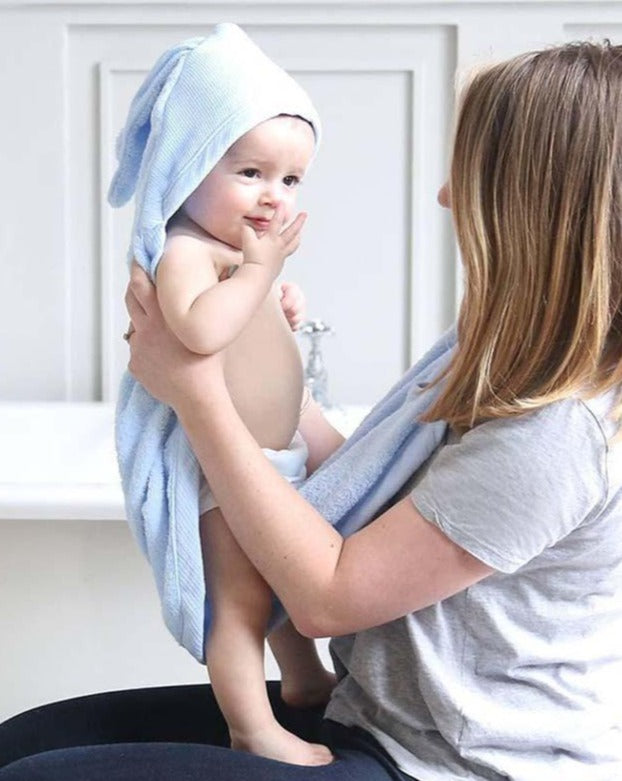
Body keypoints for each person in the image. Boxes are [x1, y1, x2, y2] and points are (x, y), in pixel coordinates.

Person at [1, 38, 622, 781]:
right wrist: (263, 377)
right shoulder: (495, 346)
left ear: (532, 200)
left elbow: (327, 596)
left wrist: (195, 391)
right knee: (19, 742)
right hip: (372, 712)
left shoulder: (559, 431)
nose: (446, 196)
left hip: (451, 764)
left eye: (470, 170)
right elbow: (365, 477)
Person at [108, 24, 342, 766]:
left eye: (291, 181)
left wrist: (277, 295)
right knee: (239, 603)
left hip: (275, 456)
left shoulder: (239, 256)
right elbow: (200, 329)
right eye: (249, 172)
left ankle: (303, 682)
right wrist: (256, 277)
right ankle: (252, 724)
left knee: (283, 583)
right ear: (188, 166)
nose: (273, 197)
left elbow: (248, 325)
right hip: (224, 470)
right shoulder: (184, 250)